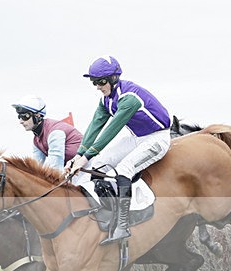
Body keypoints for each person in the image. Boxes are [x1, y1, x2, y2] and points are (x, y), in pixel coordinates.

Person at [67, 56, 171, 245]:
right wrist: (79, 157)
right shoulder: (106, 100)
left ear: (114, 78)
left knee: (124, 169)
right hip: (136, 138)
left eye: (100, 82)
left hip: (157, 137)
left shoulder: (129, 98)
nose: (98, 86)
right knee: (97, 164)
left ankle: (122, 226)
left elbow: (110, 130)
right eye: (94, 83)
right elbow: (94, 127)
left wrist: (86, 156)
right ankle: (104, 214)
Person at [12, 96, 82, 172]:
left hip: (88, 166)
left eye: (25, 116)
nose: (21, 121)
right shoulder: (36, 140)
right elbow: (36, 168)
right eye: (19, 117)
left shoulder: (55, 132)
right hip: (73, 169)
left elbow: (56, 167)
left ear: (38, 116)